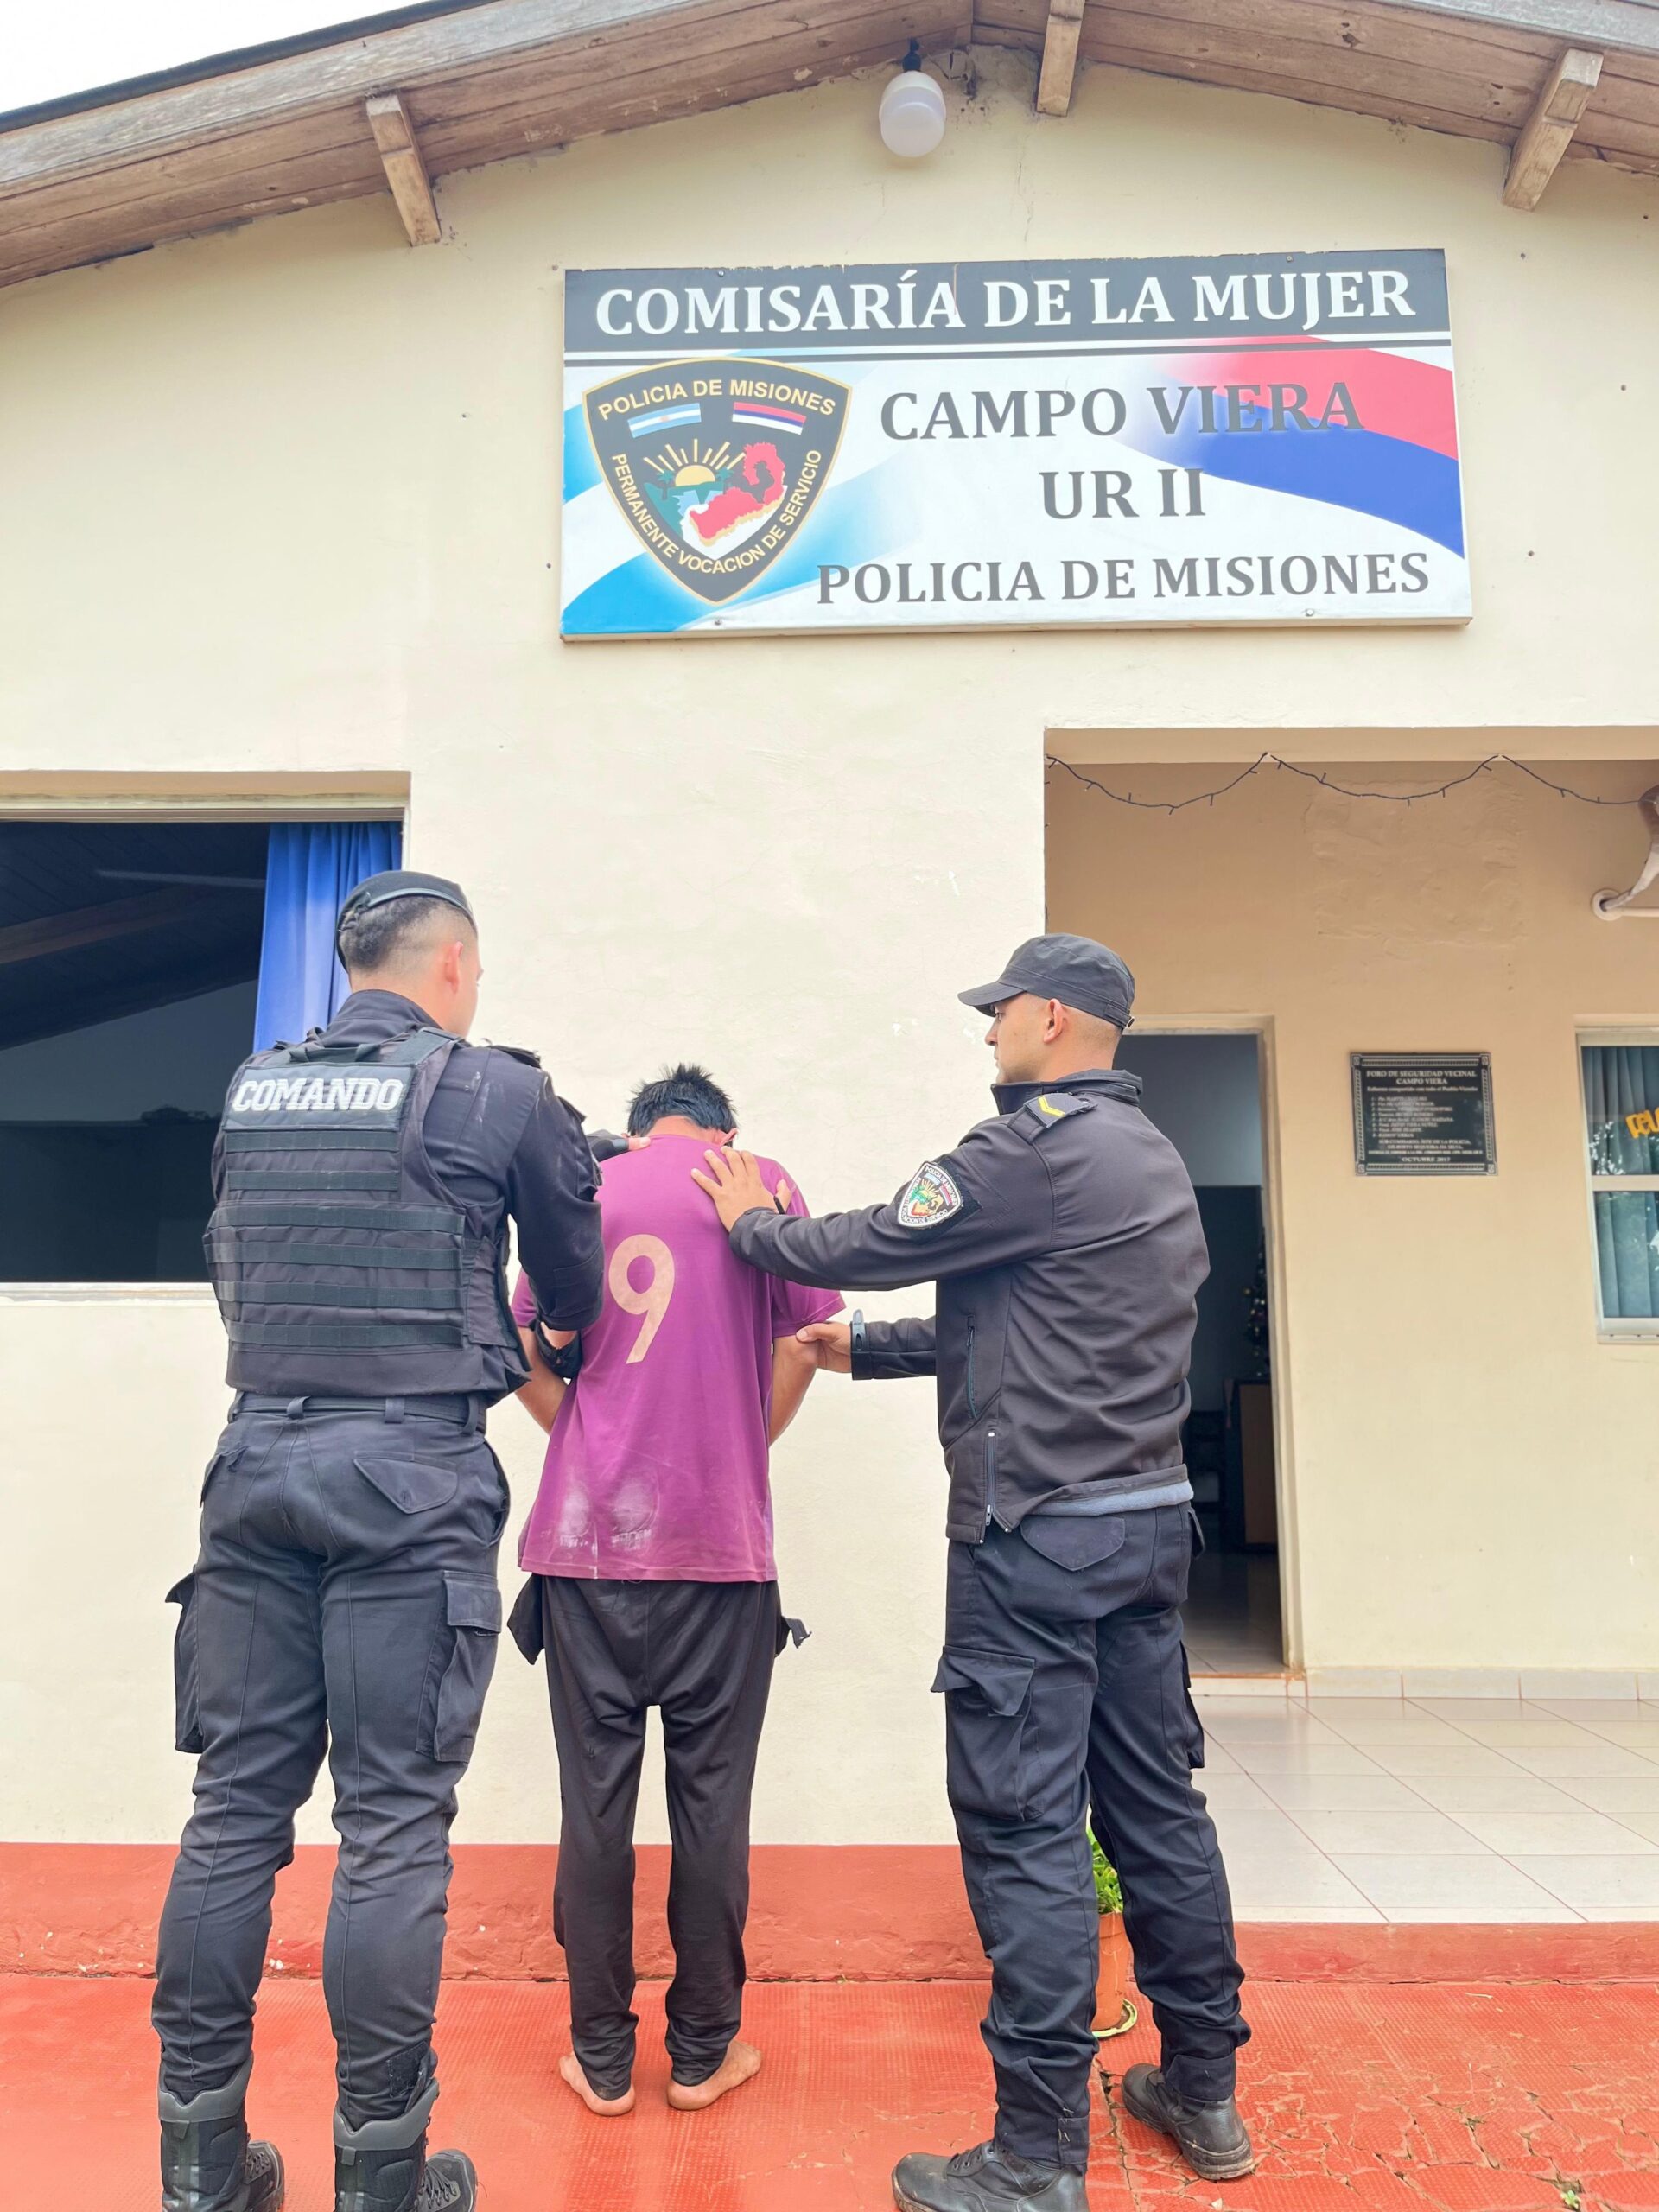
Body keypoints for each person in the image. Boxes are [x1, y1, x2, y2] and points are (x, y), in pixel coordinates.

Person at [692, 935, 1253, 2212]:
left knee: (1024, 1828)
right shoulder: (1149, 1161)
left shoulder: (1032, 1150)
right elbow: (1028, 1319)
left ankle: (1036, 2154)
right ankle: (1205, 2091)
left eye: (998, 1012)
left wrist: (753, 1227)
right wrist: (865, 1353)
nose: (987, 1031)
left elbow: (883, 1234)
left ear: (1050, 1018)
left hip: (1038, 1543)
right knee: (1157, 1808)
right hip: (1149, 1529)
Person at [153, 870, 603, 2212]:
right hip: (408, 1477)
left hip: (254, 1469)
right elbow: (571, 1282)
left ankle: (200, 2166)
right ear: (453, 966)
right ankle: (384, 2173)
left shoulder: (256, 1086)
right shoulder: (492, 1090)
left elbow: (239, 1262)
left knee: (234, 1815)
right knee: (395, 1827)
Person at [505, 1063, 842, 2120]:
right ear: (720, 1129)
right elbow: (808, 1340)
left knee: (593, 1808)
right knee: (713, 1809)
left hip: (585, 1553)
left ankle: (601, 2063)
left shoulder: (583, 1191)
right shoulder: (760, 1179)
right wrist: (747, 1437)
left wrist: (593, 1441)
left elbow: (521, 1346)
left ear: (641, 1130)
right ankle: (701, 2057)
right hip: (721, 1555)